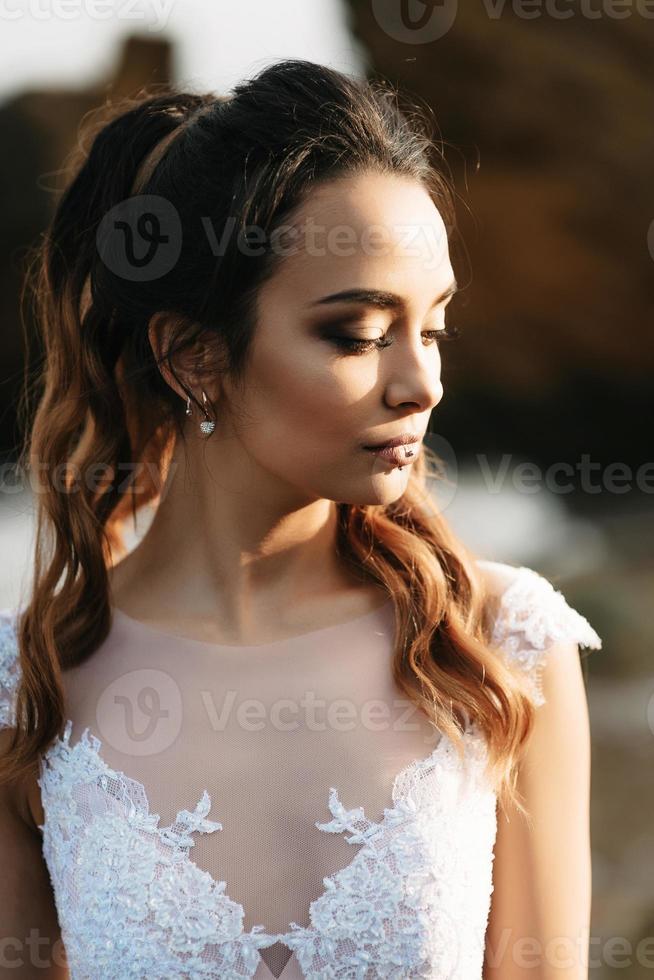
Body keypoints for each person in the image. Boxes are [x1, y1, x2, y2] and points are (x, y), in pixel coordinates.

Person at [0, 59, 602, 980]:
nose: (423, 382)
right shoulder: (28, 689)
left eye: (432, 327)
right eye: (359, 333)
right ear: (194, 354)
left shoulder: (497, 649)